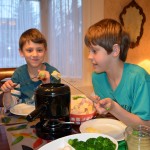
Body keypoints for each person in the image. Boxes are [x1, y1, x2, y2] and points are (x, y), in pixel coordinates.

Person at [84, 18, 150, 126]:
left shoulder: (139, 78)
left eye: (94, 51)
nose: (89, 56)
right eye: (89, 51)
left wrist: (114, 108)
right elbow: (110, 119)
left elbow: (146, 126)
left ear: (115, 50)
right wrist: (101, 108)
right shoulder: (97, 77)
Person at [1, 28, 60, 110]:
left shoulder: (53, 73)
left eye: (39, 50)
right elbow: (9, 106)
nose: (35, 54)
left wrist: (47, 85)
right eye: (29, 50)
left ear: (45, 51)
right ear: (21, 52)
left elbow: (56, 105)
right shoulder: (19, 73)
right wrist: (7, 92)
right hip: (23, 118)